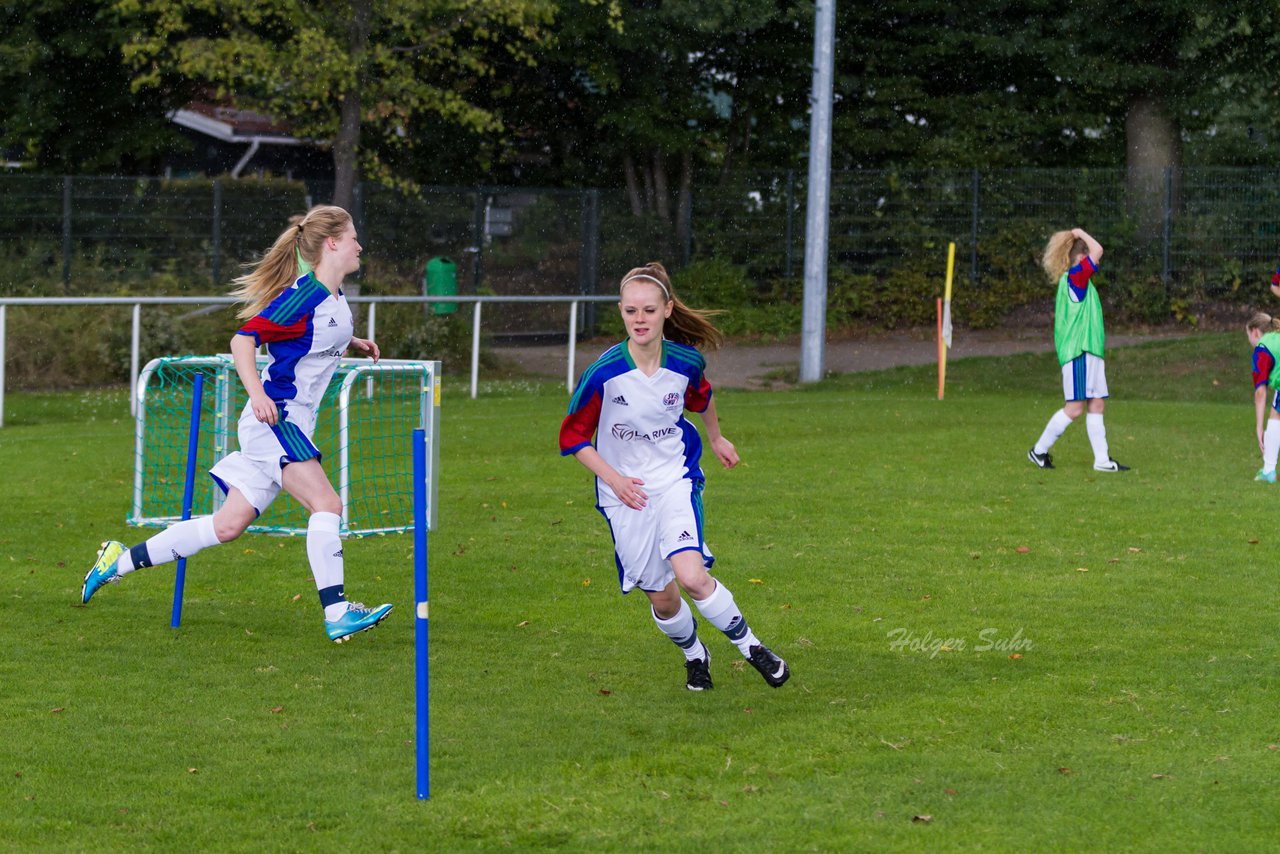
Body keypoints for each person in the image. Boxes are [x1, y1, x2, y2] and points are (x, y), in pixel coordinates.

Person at [81, 205, 393, 643]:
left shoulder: (335, 298)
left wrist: (351, 342)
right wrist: (259, 395)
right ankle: (337, 612)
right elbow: (242, 340)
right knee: (328, 505)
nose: (361, 245)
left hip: (289, 422)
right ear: (333, 243)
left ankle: (116, 562)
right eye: (355, 237)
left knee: (226, 526)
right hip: (275, 420)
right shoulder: (305, 297)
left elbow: (311, 338)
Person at [558, 261, 790, 692]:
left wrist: (718, 439)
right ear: (621, 313)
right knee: (664, 600)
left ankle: (753, 647)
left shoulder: (686, 362)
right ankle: (694, 655)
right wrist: (616, 479)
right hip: (624, 494)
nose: (639, 319)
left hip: (674, 479)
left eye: (648, 310)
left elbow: (702, 398)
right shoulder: (603, 374)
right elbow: (572, 437)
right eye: (630, 311)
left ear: (667, 309)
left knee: (691, 575)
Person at [1027, 227, 1129, 473]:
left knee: (1097, 404)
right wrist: (1080, 232)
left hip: (1090, 352)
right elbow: (1098, 249)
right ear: (1081, 258)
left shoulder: (1076, 280)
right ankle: (1038, 451)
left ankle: (1102, 461)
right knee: (1074, 408)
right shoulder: (1076, 277)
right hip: (1079, 353)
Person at [1247, 311, 1280, 482]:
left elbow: (1260, 392)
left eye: (1249, 337)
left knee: (1275, 417)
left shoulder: (1262, 347)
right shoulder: (1277, 336)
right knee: (1277, 413)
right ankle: (1268, 471)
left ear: (1255, 332)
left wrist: (1259, 427)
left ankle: (1268, 471)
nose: (1250, 343)